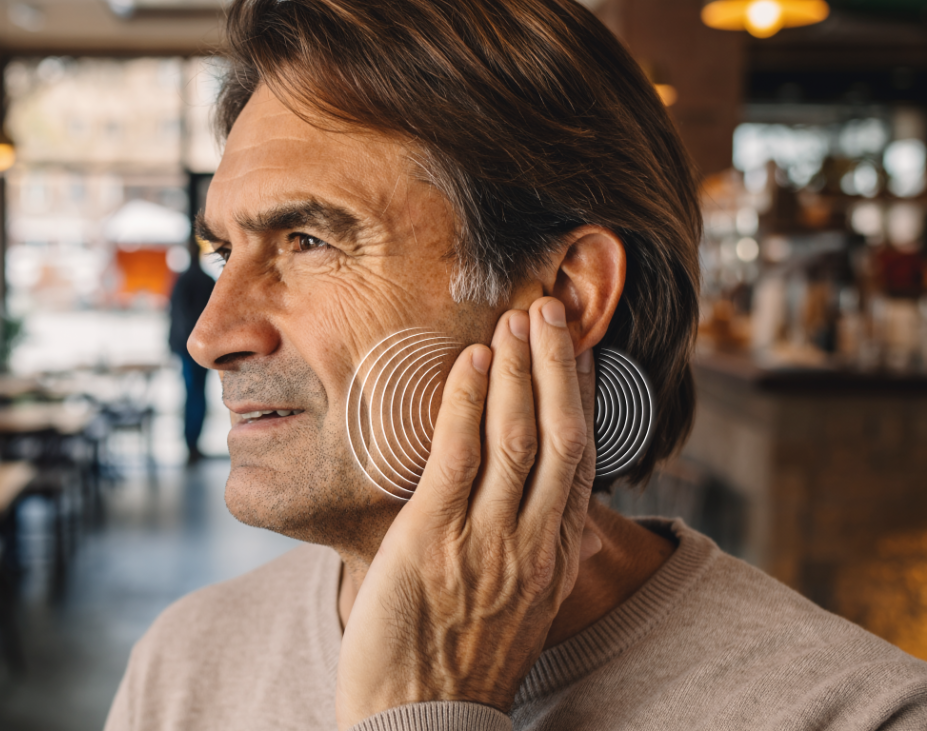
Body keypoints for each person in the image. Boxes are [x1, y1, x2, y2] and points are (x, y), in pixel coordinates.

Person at [108, 1, 927, 729]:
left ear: (566, 295)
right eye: (226, 251)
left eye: (309, 241)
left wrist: (428, 713)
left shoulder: (855, 712)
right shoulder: (186, 665)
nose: (212, 335)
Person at [168, 236, 216, 465]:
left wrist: (176, 346)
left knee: (192, 396)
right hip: (196, 349)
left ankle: (192, 444)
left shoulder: (183, 281)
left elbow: (175, 318)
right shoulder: (203, 281)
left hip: (187, 350)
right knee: (197, 396)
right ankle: (192, 444)